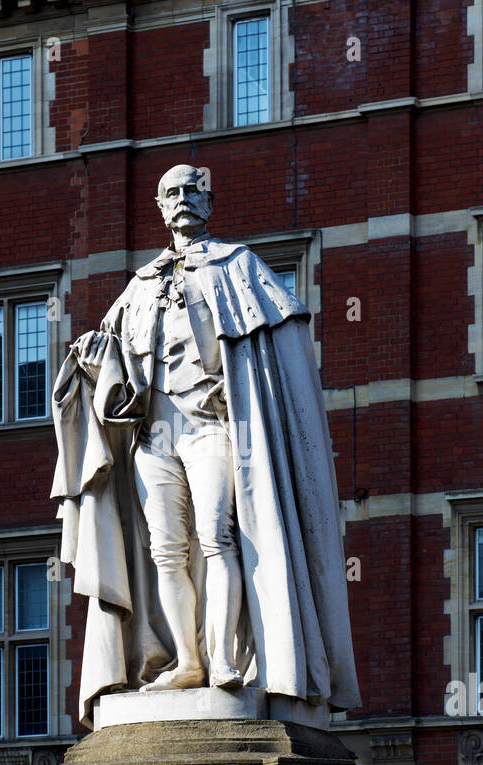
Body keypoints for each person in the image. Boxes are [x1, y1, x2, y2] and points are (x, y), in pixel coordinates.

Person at [51, 164, 360, 728]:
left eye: (193, 191)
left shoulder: (239, 268)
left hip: (212, 427)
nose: (182, 200)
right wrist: (95, 363)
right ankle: (187, 662)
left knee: (219, 539)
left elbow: (279, 355)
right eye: (171, 193)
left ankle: (224, 660)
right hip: (154, 437)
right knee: (165, 553)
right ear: (159, 205)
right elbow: (110, 376)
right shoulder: (140, 285)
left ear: (210, 201)